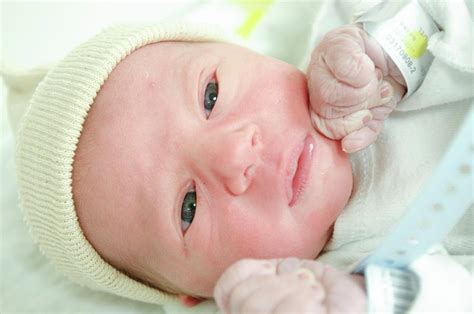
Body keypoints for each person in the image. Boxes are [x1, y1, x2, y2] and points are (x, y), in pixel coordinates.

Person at [9, 0, 472, 312]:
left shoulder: (352, 24)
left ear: (243, 52)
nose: (234, 154)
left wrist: (392, 48)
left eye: (210, 96)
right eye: (188, 208)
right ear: (196, 295)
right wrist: (365, 298)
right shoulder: (326, 286)